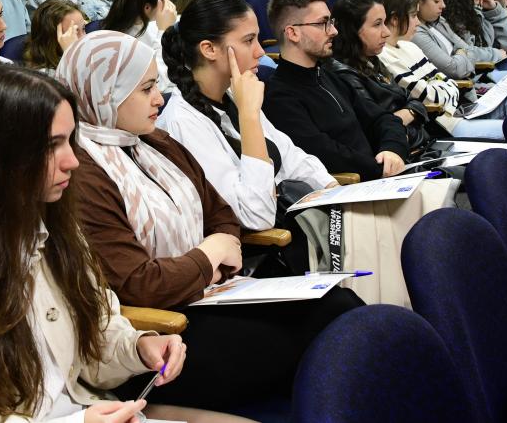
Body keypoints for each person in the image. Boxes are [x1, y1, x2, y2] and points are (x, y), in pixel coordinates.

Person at [0, 63, 244, 423]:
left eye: (71, 140)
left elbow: (97, 331)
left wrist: (137, 348)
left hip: (86, 406)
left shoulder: (51, 228)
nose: (72, 161)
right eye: (52, 145)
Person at [57, 30, 364, 411]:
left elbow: (222, 214)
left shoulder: (154, 140)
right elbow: (137, 284)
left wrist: (213, 257)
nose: (158, 99)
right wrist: (208, 256)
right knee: (330, 336)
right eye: (146, 89)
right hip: (162, 333)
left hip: (209, 296)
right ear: (105, 95)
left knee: (339, 305)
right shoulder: (81, 170)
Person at [158, 0, 338, 234]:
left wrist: (332, 188)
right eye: (248, 40)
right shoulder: (183, 122)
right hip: (257, 259)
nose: (260, 52)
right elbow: (256, 215)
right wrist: (250, 116)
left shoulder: (231, 95)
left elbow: (291, 156)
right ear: (209, 49)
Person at [262, 0, 408, 181]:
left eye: (331, 22)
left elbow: (382, 118)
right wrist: (380, 167)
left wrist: (392, 150)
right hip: (351, 192)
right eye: (323, 23)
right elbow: (326, 154)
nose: (334, 31)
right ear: (293, 33)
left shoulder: (328, 76)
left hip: (382, 176)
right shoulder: (279, 98)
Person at [376, 0, 507, 139]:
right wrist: (443, 89)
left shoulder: (409, 46)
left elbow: (448, 83)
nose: (418, 22)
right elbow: (430, 97)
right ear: (396, 19)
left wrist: (440, 88)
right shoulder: (385, 57)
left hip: (456, 114)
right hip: (443, 127)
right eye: (413, 16)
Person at [330, 0, 431, 150]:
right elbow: (378, 129)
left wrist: (409, 112)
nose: (387, 32)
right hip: (406, 155)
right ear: (352, 29)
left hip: (420, 145)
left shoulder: (370, 59)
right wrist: (412, 114)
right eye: (377, 24)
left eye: (384, 23)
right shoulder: (342, 74)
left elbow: (413, 100)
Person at [104, 0, 177, 91]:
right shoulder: (127, 41)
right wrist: (164, 32)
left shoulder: (149, 23)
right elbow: (156, 84)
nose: (170, 4)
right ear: (147, 7)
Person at [23, 0, 87, 76]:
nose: (84, 37)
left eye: (83, 28)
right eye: (73, 33)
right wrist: (70, 54)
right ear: (51, 38)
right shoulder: (44, 76)